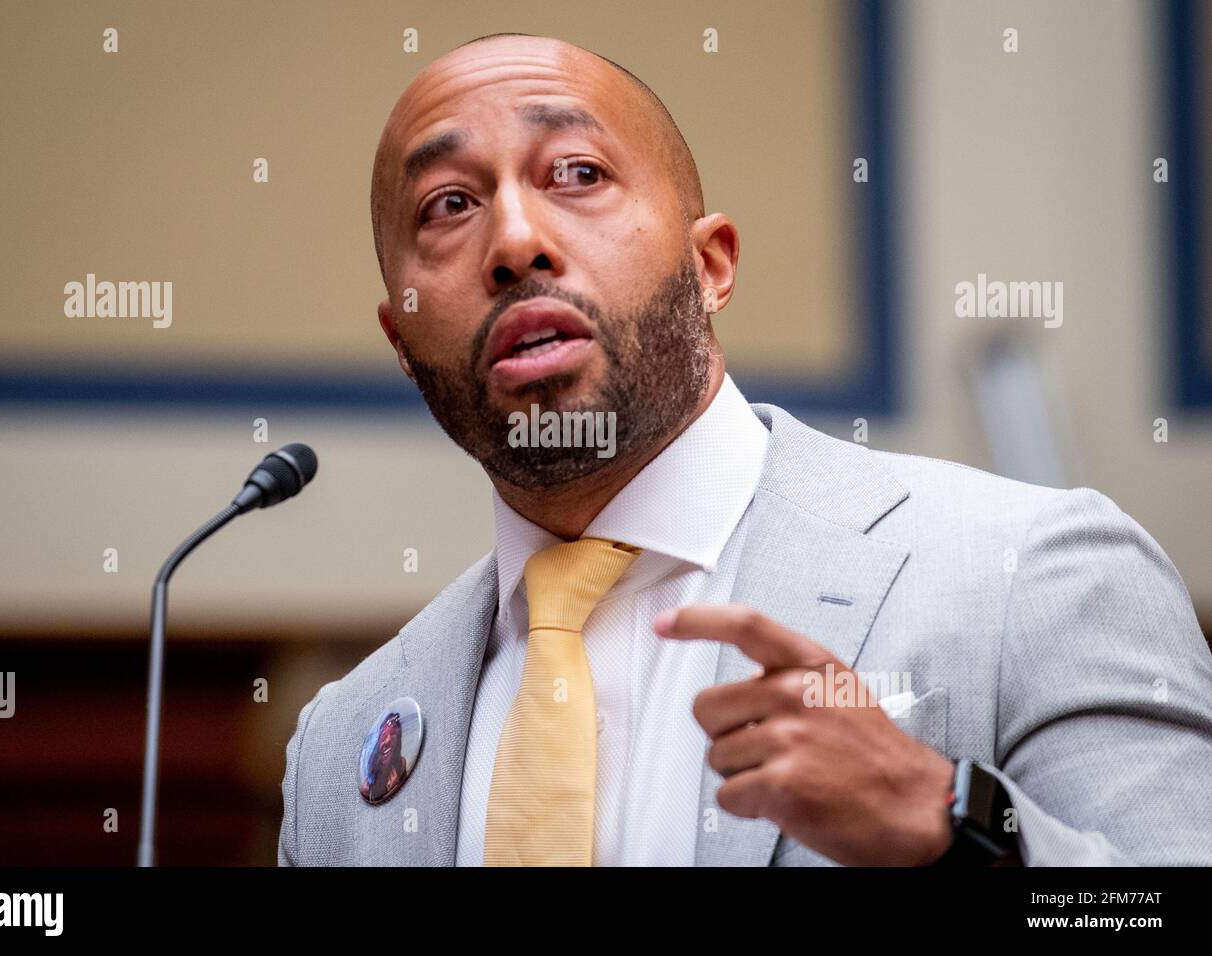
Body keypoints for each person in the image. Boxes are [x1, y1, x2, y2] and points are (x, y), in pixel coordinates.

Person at [278, 32, 1212, 866]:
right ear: (402, 342)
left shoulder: (1035, 573)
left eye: (575, 173)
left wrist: (954, 823)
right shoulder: (342, 745)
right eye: (447, 204)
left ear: (710, 266)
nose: (516, 242)